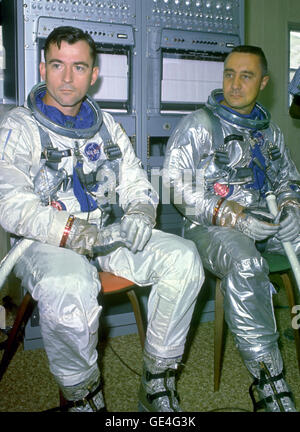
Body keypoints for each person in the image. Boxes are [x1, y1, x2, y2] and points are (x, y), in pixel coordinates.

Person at [0, 26, 204, 412]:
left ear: (94, 75)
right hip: (44, 242)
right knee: (68, 283)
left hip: (106, 233)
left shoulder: (106, 126)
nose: (66, 77)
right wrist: (72, 232)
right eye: (57, 65)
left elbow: (135, 181)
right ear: (42, 68)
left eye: (79, 67)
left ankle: (157, 380)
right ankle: (84, 396)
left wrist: (142, 211)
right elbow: (10, 204)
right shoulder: (19, 127)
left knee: (184, 257)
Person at [163, 45, 300, 412]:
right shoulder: (199, 125)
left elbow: (288, 180)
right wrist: (234, 217)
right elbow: (176, 187)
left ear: (264, 82)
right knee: (246, 265)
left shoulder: (268, 131)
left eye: (246, 76)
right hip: (210, 226)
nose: (235, 84)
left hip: (265, 220)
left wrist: (291, 212)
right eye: (229, 74)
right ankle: (269, 380)